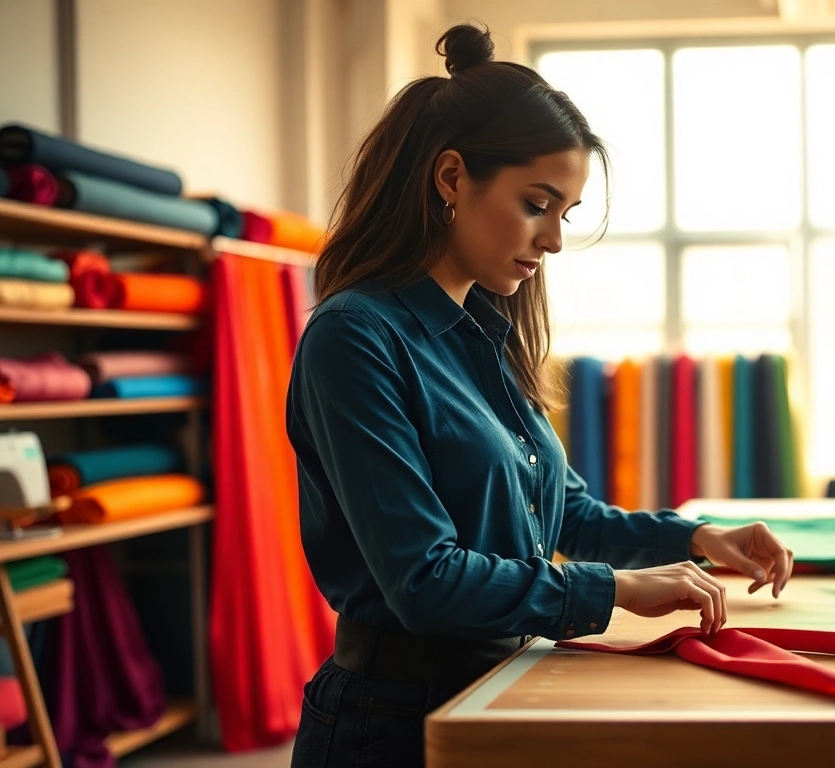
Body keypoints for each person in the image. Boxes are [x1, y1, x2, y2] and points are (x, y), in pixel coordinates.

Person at [285, 24, 794, 768]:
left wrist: (693, 539)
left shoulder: (484, 334)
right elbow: (424, 580)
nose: (554, 240)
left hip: (501, 683)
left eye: (567, 213)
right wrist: (614, 590)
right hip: (391, 722)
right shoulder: (354, 338)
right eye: (538, 204)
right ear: (452, 178)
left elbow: (564, 514)